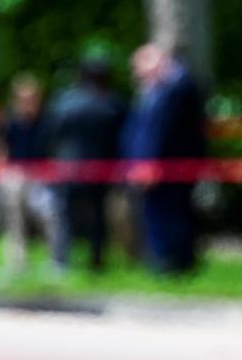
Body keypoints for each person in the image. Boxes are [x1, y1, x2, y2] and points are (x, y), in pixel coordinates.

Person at [128, 44, 207, 273]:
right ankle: (165, 260)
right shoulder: (157, 89)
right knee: (161, 212)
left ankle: (175, 262)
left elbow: (162, 131)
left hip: (170, 165)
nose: (138, 74)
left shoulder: (178, 87)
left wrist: (150, 162)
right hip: (158, 164)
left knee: (174, 213)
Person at [48, 57, 126, 270]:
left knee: (64, 215)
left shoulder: (66, 102)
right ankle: (97, 260)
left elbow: (53, 133)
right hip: (100, 169)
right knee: (98, 216)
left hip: (69, 168)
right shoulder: (112, 104)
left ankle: (61, 261)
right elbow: (121, 139)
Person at [0, 73, 61, 273]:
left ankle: (55, 260)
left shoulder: (48, 121)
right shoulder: (7, 120)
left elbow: (54, 149)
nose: (28, 102)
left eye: (32, 98)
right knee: (14, 218)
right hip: (15, 173)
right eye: (23, 98)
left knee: (50, 216)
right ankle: (17, 262)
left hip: (41, 174)